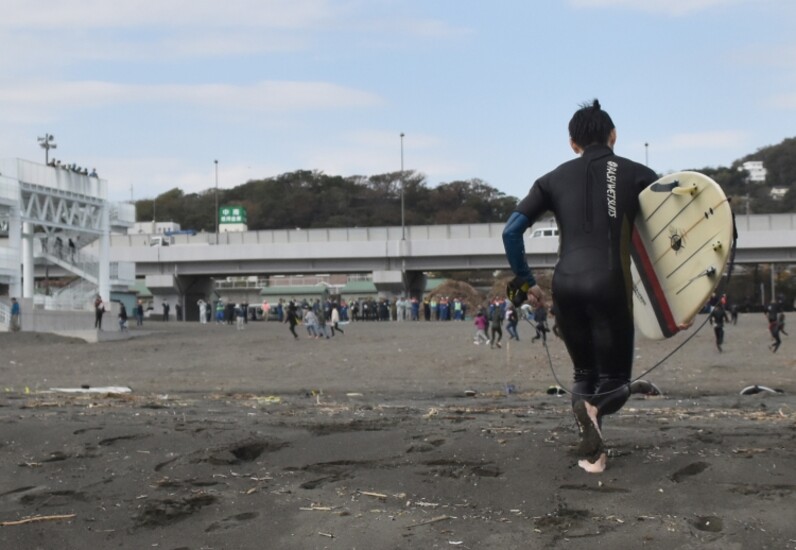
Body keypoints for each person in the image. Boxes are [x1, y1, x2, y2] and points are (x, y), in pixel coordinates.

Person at [502, 99, 659, 473]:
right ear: (614, 135)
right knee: (614, 380)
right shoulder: (639, 174)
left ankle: (594, 454)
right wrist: (676, 307)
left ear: (572, 143)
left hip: (565, 283)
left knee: (584, 375)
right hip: (610, 282)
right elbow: (671, 240)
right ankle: (593, 411)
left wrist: (526, 283)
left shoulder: (552, 179)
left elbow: (510, 231)